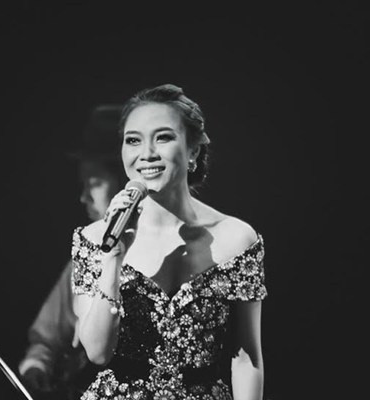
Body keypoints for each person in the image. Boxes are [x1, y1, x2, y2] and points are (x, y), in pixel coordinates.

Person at [71, 84, 267, 400]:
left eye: (163, 137)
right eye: (133, 140)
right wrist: (113, 257)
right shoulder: (95, 238)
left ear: (193, 151)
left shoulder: (236, 238)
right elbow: (96, 352)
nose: (147, 153)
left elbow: (247, 359)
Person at [18, 105, 128, 399]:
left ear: (126, 183)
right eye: (83, 184)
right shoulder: (85, 256)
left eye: (94, 182)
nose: (83, 197)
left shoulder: (168, 256)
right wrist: (35, 368)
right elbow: (45, 341)